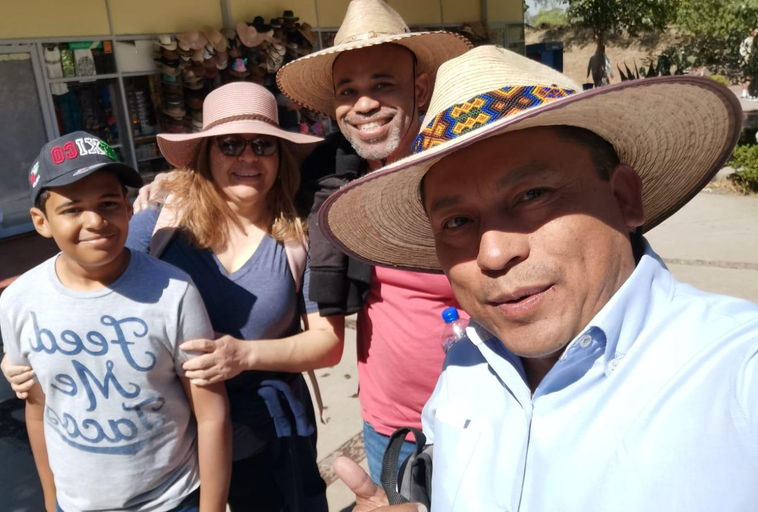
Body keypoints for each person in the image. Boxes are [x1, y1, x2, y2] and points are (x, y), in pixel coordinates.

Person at [320, 46, 757, 511]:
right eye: (456, 222)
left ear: (625, 198)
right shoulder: (466, 365)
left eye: (532, 194)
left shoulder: (735, 372)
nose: (492, 253)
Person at [3, 83, 343, 512]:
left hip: (268, 431)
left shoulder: (300, 231)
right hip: (173, 447)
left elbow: (328, 343)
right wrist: (23, 352)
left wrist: (243, 355)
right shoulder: (160, 224)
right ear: (206, 153)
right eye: (230, 144)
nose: (248, 156)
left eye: (263, 144)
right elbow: (90, 290)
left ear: (280, 154)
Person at [275, 0, 472, 484]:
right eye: (350, 91)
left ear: (419, 89)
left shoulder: (465, 171)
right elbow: (246, 192)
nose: (364, 105)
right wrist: (166, 196)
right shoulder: (331, 182)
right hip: (389, 425)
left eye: (383, 85)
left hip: (480, 417)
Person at [0, 132, 231, 512]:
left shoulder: (173, 291)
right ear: (41, 221)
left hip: (173, 500)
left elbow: (210, 412)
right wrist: (50, 499)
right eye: (72, 209)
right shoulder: (19, 302)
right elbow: (38, 409)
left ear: (128, 207)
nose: (95, 221)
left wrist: (212, 507)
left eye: (108, 203)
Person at [740, 27, 758, 99]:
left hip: (755, 61)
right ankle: (745, 92)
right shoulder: (747, 40)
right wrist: (745, 56)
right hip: (748, 61)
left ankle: (752, 92)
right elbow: (742, 49)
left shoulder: (756, 41)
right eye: (755, 32)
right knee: (748, 77)